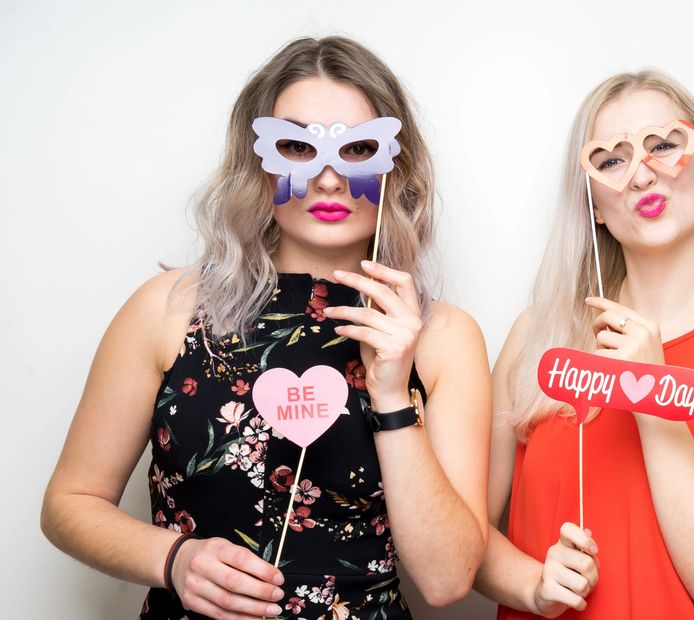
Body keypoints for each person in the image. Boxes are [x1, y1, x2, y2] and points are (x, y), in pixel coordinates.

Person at [41, 36, 490, 619]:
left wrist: (390, 393)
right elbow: (69, 503)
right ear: (256, 160)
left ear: (395, 164)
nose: (329, 179)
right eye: (298, 148)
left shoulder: (443, 337)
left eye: (357, 148)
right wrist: (172, 558)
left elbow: (448, 579)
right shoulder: (168, 309)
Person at [474, 70, 694, 619]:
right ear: (595, 206)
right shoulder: (536, 338)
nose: (640, 177)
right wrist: (530, 583)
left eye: (663, 147)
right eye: (611, 161)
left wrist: (652, 395)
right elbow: (463, 540)